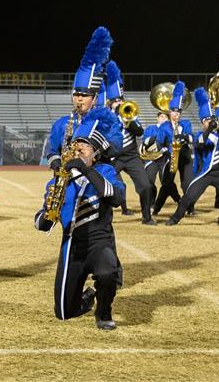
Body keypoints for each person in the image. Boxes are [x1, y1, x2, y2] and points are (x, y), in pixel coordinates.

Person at [34, 106, 125, 330]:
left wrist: (86, 171)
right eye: (77, 145)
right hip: (71, 246)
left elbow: (116, 197)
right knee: (64, 313)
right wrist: (47, 216)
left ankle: (103, 312)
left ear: (96, 153)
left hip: (99, 241)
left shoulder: (105, 172)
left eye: (85, 146)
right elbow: (40, 222)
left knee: (107, 273)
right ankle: (88, 297)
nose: (80, 149)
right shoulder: (59, 180)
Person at [165, 87, 219, 226]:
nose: (209, 122)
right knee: (189, 197)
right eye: (206, 120)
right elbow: (199, 144)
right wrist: (210, 129)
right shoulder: (200, 135)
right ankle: (174, 218)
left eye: (211, 119)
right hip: (205, 172)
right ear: (202, 122)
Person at [45, 27, 111, 173]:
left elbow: (115, 150)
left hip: (96, 177)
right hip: (67, 178)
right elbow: (52, 152)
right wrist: (57, 165)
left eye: (85, 95)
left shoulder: (105, 123)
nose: (79, 99)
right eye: (76, 95)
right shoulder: (61, 124)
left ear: (94, 99)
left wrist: (91, 154)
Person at [105, 60, 155, 224]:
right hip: (113, 157)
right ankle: (104, 217)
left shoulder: (129, 112)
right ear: (110, 102)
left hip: (132, 156)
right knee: (104, 186)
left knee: (146, 186)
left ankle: (147, 217)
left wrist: (129, 121)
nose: (120, 102)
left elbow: (139, 131)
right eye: (116, 100)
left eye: (121, 99)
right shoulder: (105, 115)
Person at [153, 82, 194, 216]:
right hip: (171, 158)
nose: (177, 114)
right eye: (174, 111)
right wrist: (164, 150)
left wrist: (184, 137)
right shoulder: (164, 126)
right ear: (170, 112)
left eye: (179, 112)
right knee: (167, 184)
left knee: (187, 184)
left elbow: (192, 138)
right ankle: (157, 208)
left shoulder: (186, 124)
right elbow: (159, 143)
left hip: (185, 157)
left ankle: (190, 208)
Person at [139, 112, 171, 225]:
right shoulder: (150, 128)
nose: (163, 119)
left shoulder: (169, 129)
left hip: (164, 159)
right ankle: (151, 203)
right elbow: (146, 142)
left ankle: (162, 204)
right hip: (151, 159)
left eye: (165, 117)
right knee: (149, 181)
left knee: (166, 183)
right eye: (161, 116)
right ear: (157, 118)